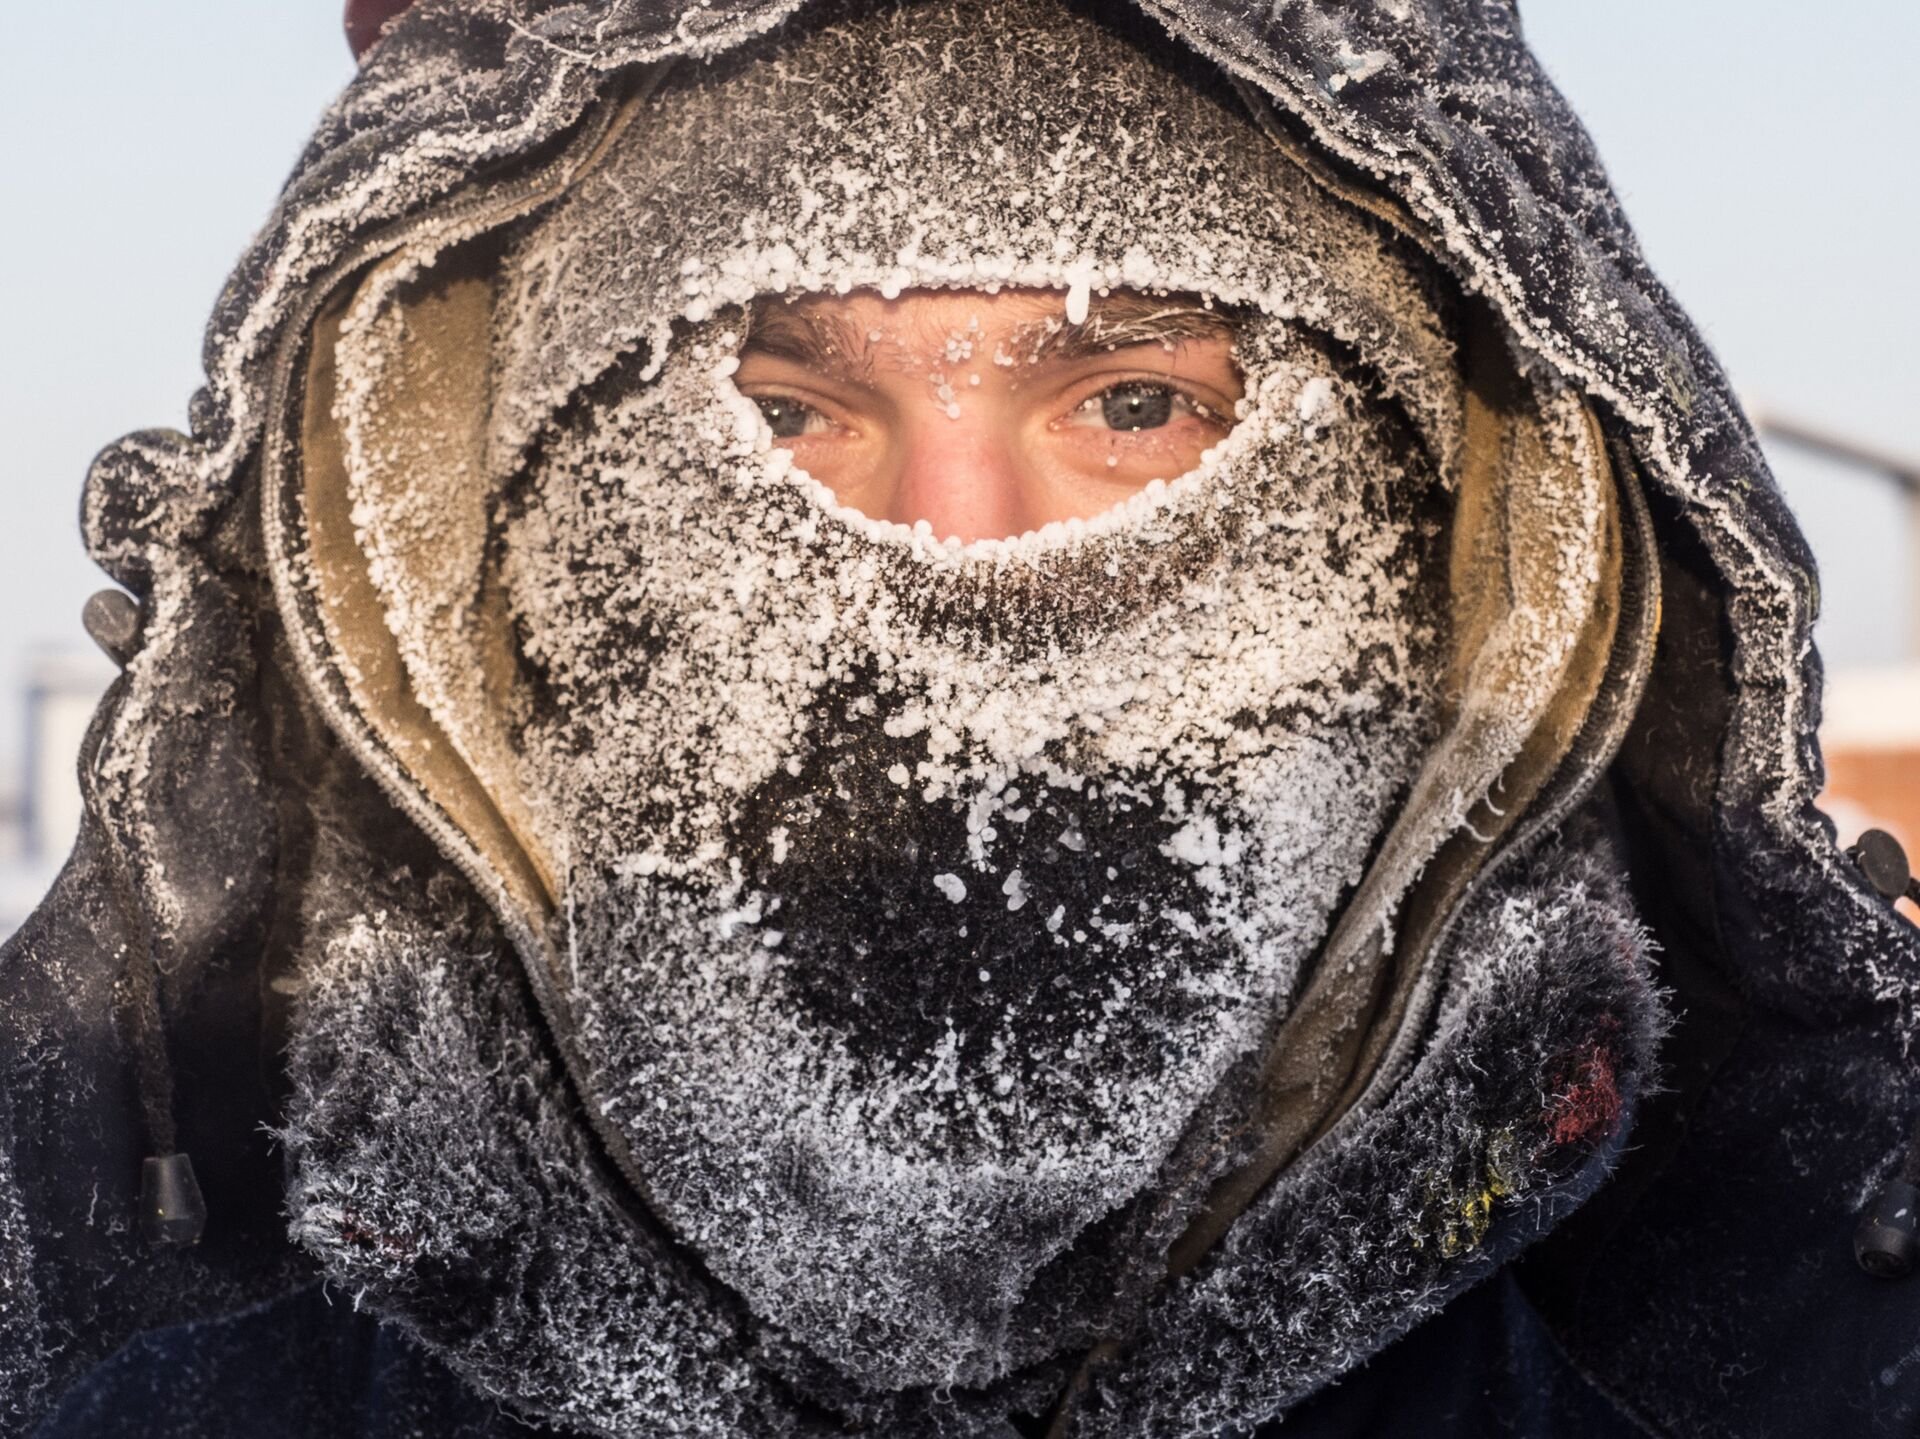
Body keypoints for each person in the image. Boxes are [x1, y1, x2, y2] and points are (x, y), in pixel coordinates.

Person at [4, 2, 1917, 1437]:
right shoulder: (135, 1342)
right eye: (783, 413)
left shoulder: (1808, 1327)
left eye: (1136, 408)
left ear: (1462, 523)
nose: (956, 556)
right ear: (476, 531)